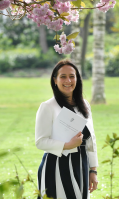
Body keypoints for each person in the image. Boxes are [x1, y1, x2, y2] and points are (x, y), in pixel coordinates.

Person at [35, 59, 98, 199]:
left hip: (81, 165)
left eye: (72, 76)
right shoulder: (47, 107)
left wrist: (93, 170)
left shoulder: (85, 105)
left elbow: (91, 140)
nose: (68, 80)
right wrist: (67, 145)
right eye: (63, 76)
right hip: (56, 166)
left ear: (77, 79)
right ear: (55, 80)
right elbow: (40, 141)